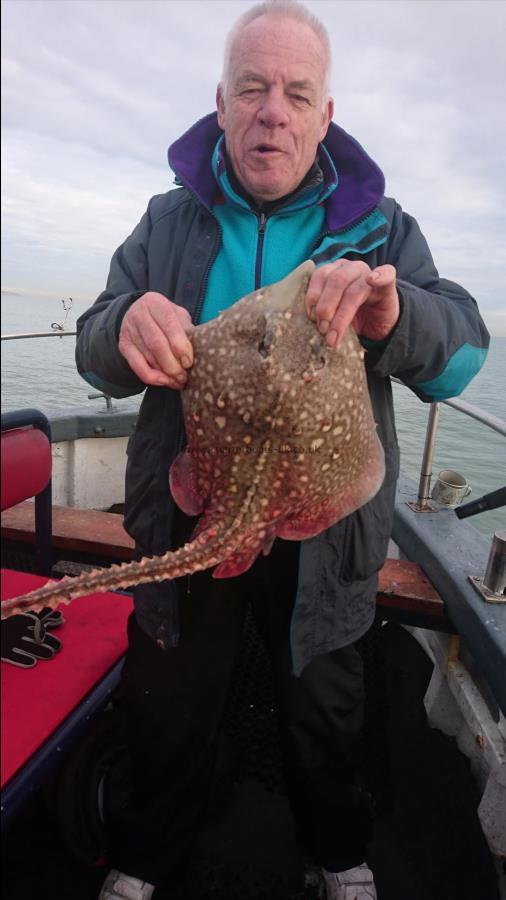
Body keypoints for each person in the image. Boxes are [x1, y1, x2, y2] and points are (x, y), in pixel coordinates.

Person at [75, 2, 489, 898]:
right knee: (171, 705)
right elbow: (93, 351)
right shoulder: (166, 223)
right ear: (220, 102)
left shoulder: (384, 230)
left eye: (297, 93)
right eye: (254, 88)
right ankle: (145, 858)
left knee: (326, 715)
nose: (274, 111)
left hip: (325, 538)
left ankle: (338, 855)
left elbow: (463, 358)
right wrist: (122, 327)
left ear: (324, 115)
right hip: (194, 510)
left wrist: (395, 314)